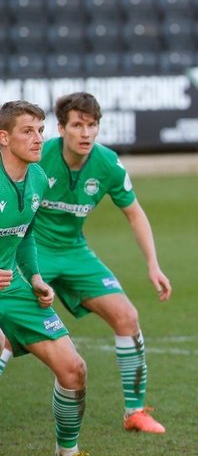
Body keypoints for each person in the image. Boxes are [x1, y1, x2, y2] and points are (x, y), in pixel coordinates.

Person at [3, 92, 172, 434]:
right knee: (6, 333)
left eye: (92, 125)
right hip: (32, 253)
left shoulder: (107, 164)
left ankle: (135, 412)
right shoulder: (37, 158)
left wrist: (153, 264)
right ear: (62, 129)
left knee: (127, 315)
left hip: (75, 252)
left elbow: (135, 214)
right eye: (77, 125)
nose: (85, 133)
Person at [0, 100, 116, 456]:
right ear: (3, 138)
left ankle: (67, 454)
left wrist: (35, 278)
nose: (38, 140)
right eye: (27, 131)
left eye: (40, 131)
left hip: (14, 286)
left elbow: (25, 234)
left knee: (73, 368)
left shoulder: (36, 178)